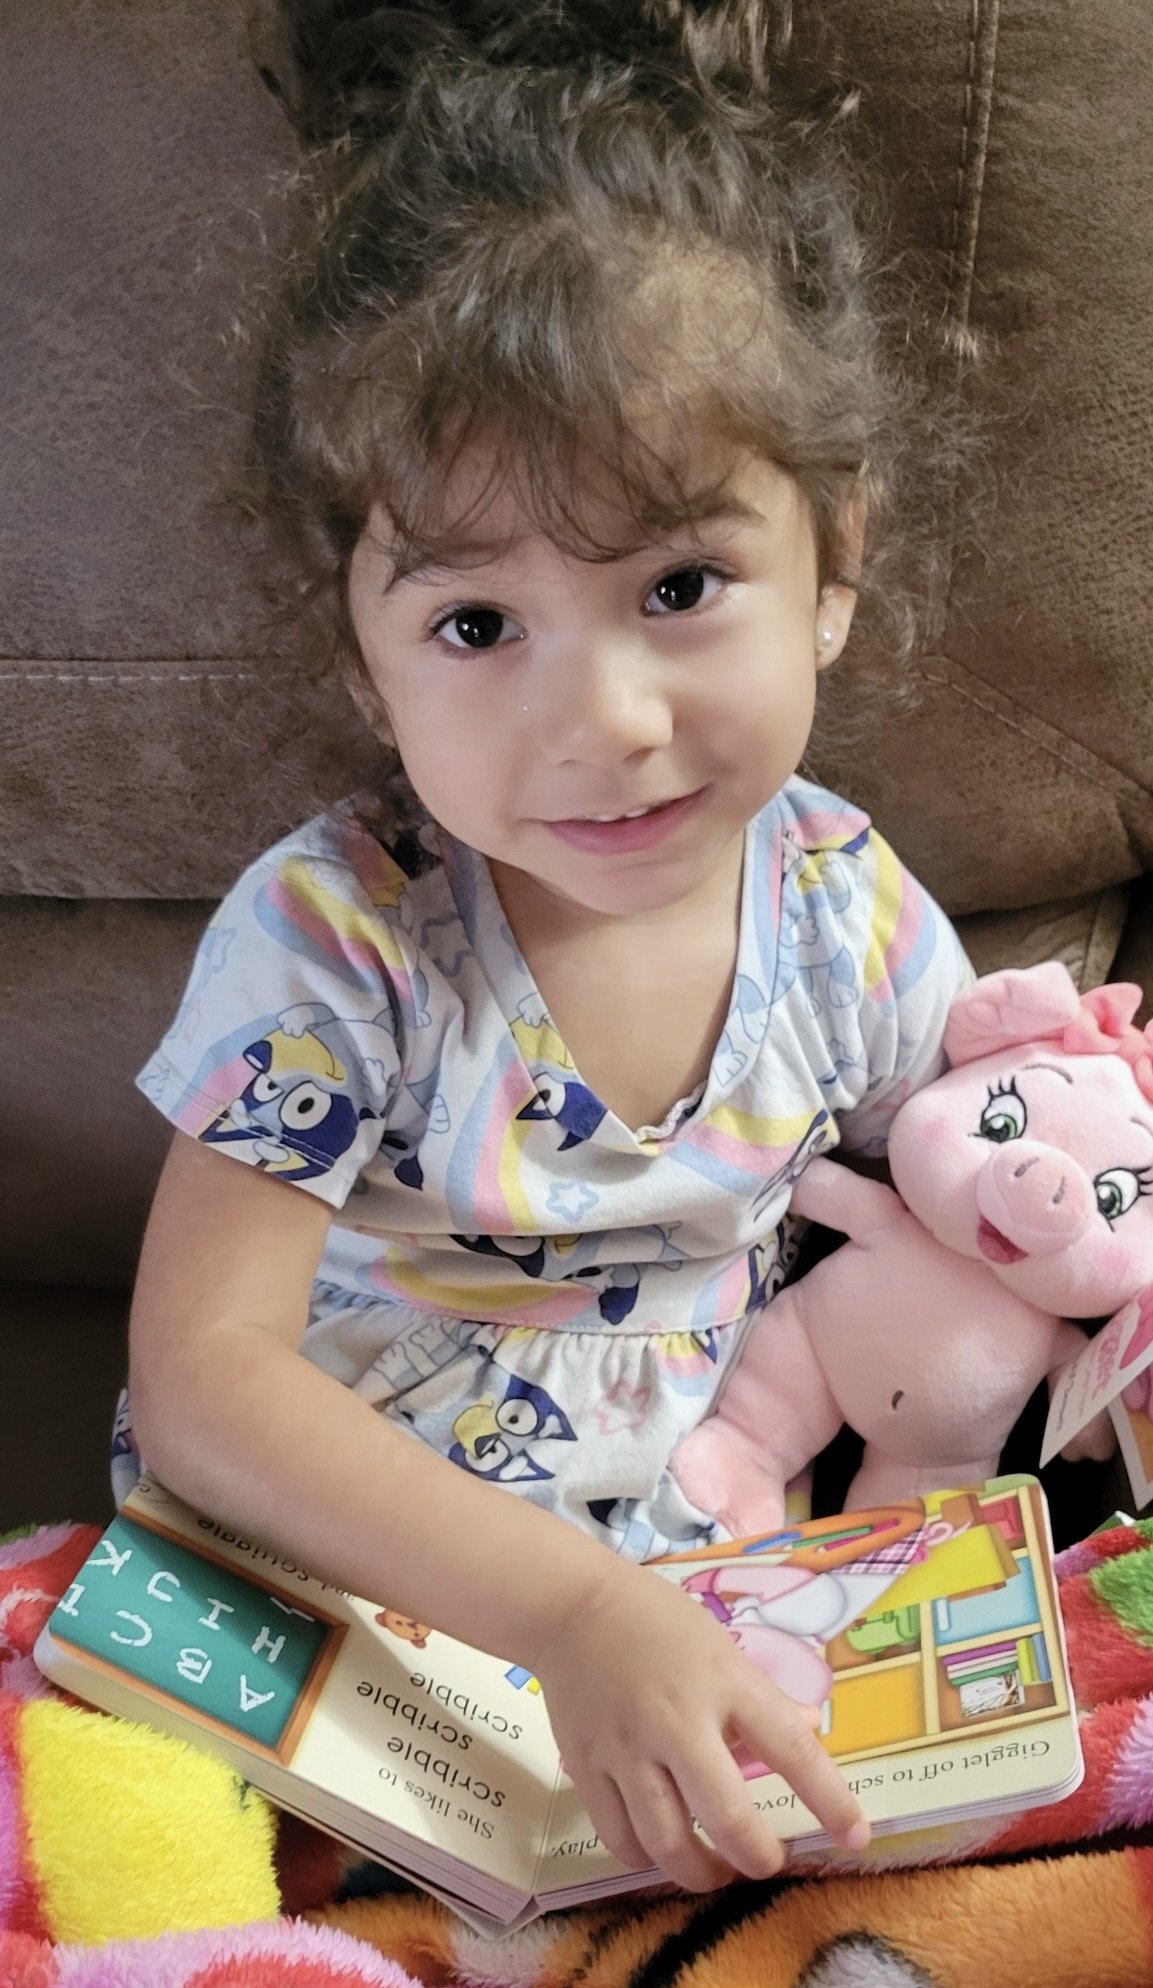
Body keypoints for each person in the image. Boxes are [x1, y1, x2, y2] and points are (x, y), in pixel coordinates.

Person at [122, 0, 972, 1895]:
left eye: (679, 586)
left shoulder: (839, 903)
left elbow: (988, 1160)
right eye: (477, 625)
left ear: (832, 564)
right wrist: (568, 1612)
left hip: (706, 1577)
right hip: (334, 1594)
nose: (604, 724)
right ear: (363, 659)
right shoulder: (336, 940)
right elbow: (202, 1378)